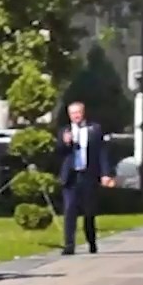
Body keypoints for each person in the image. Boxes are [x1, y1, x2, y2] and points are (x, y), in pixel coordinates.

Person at [55, 100, 108, 256]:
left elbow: (102, 152)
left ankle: (91, 241)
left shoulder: (94, 129)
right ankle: (69, 245)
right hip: (71, 176)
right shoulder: (64, 131)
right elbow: (58, 152)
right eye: (73, 113)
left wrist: (105, 173)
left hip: (88, 175)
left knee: (89, 211)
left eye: (78, 112)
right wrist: (65, 142)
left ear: (83, 113)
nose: (76, 116)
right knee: (69, 209)